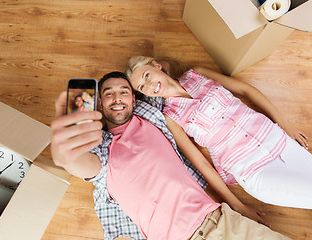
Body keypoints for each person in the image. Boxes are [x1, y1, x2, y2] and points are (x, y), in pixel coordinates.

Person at [51, 71, 290, 240]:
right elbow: (84, 166)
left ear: (134, 99)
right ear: (100, 104)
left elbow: (161, 71)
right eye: (109, 94)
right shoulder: (103, 149)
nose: (117, 98)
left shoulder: (154, 116)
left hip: (225, 223)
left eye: (123, 92)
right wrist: (65, 156)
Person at [126, 56, 312, 209]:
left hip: (278, 140)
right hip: (253, 170)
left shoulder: (197, 73)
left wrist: (285, 125)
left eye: (147, 76)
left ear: (157, 66)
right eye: (142, 87)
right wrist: (236, 205)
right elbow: (201, 163)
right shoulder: (170, 117)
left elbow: (245, 90)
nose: (149, 86)